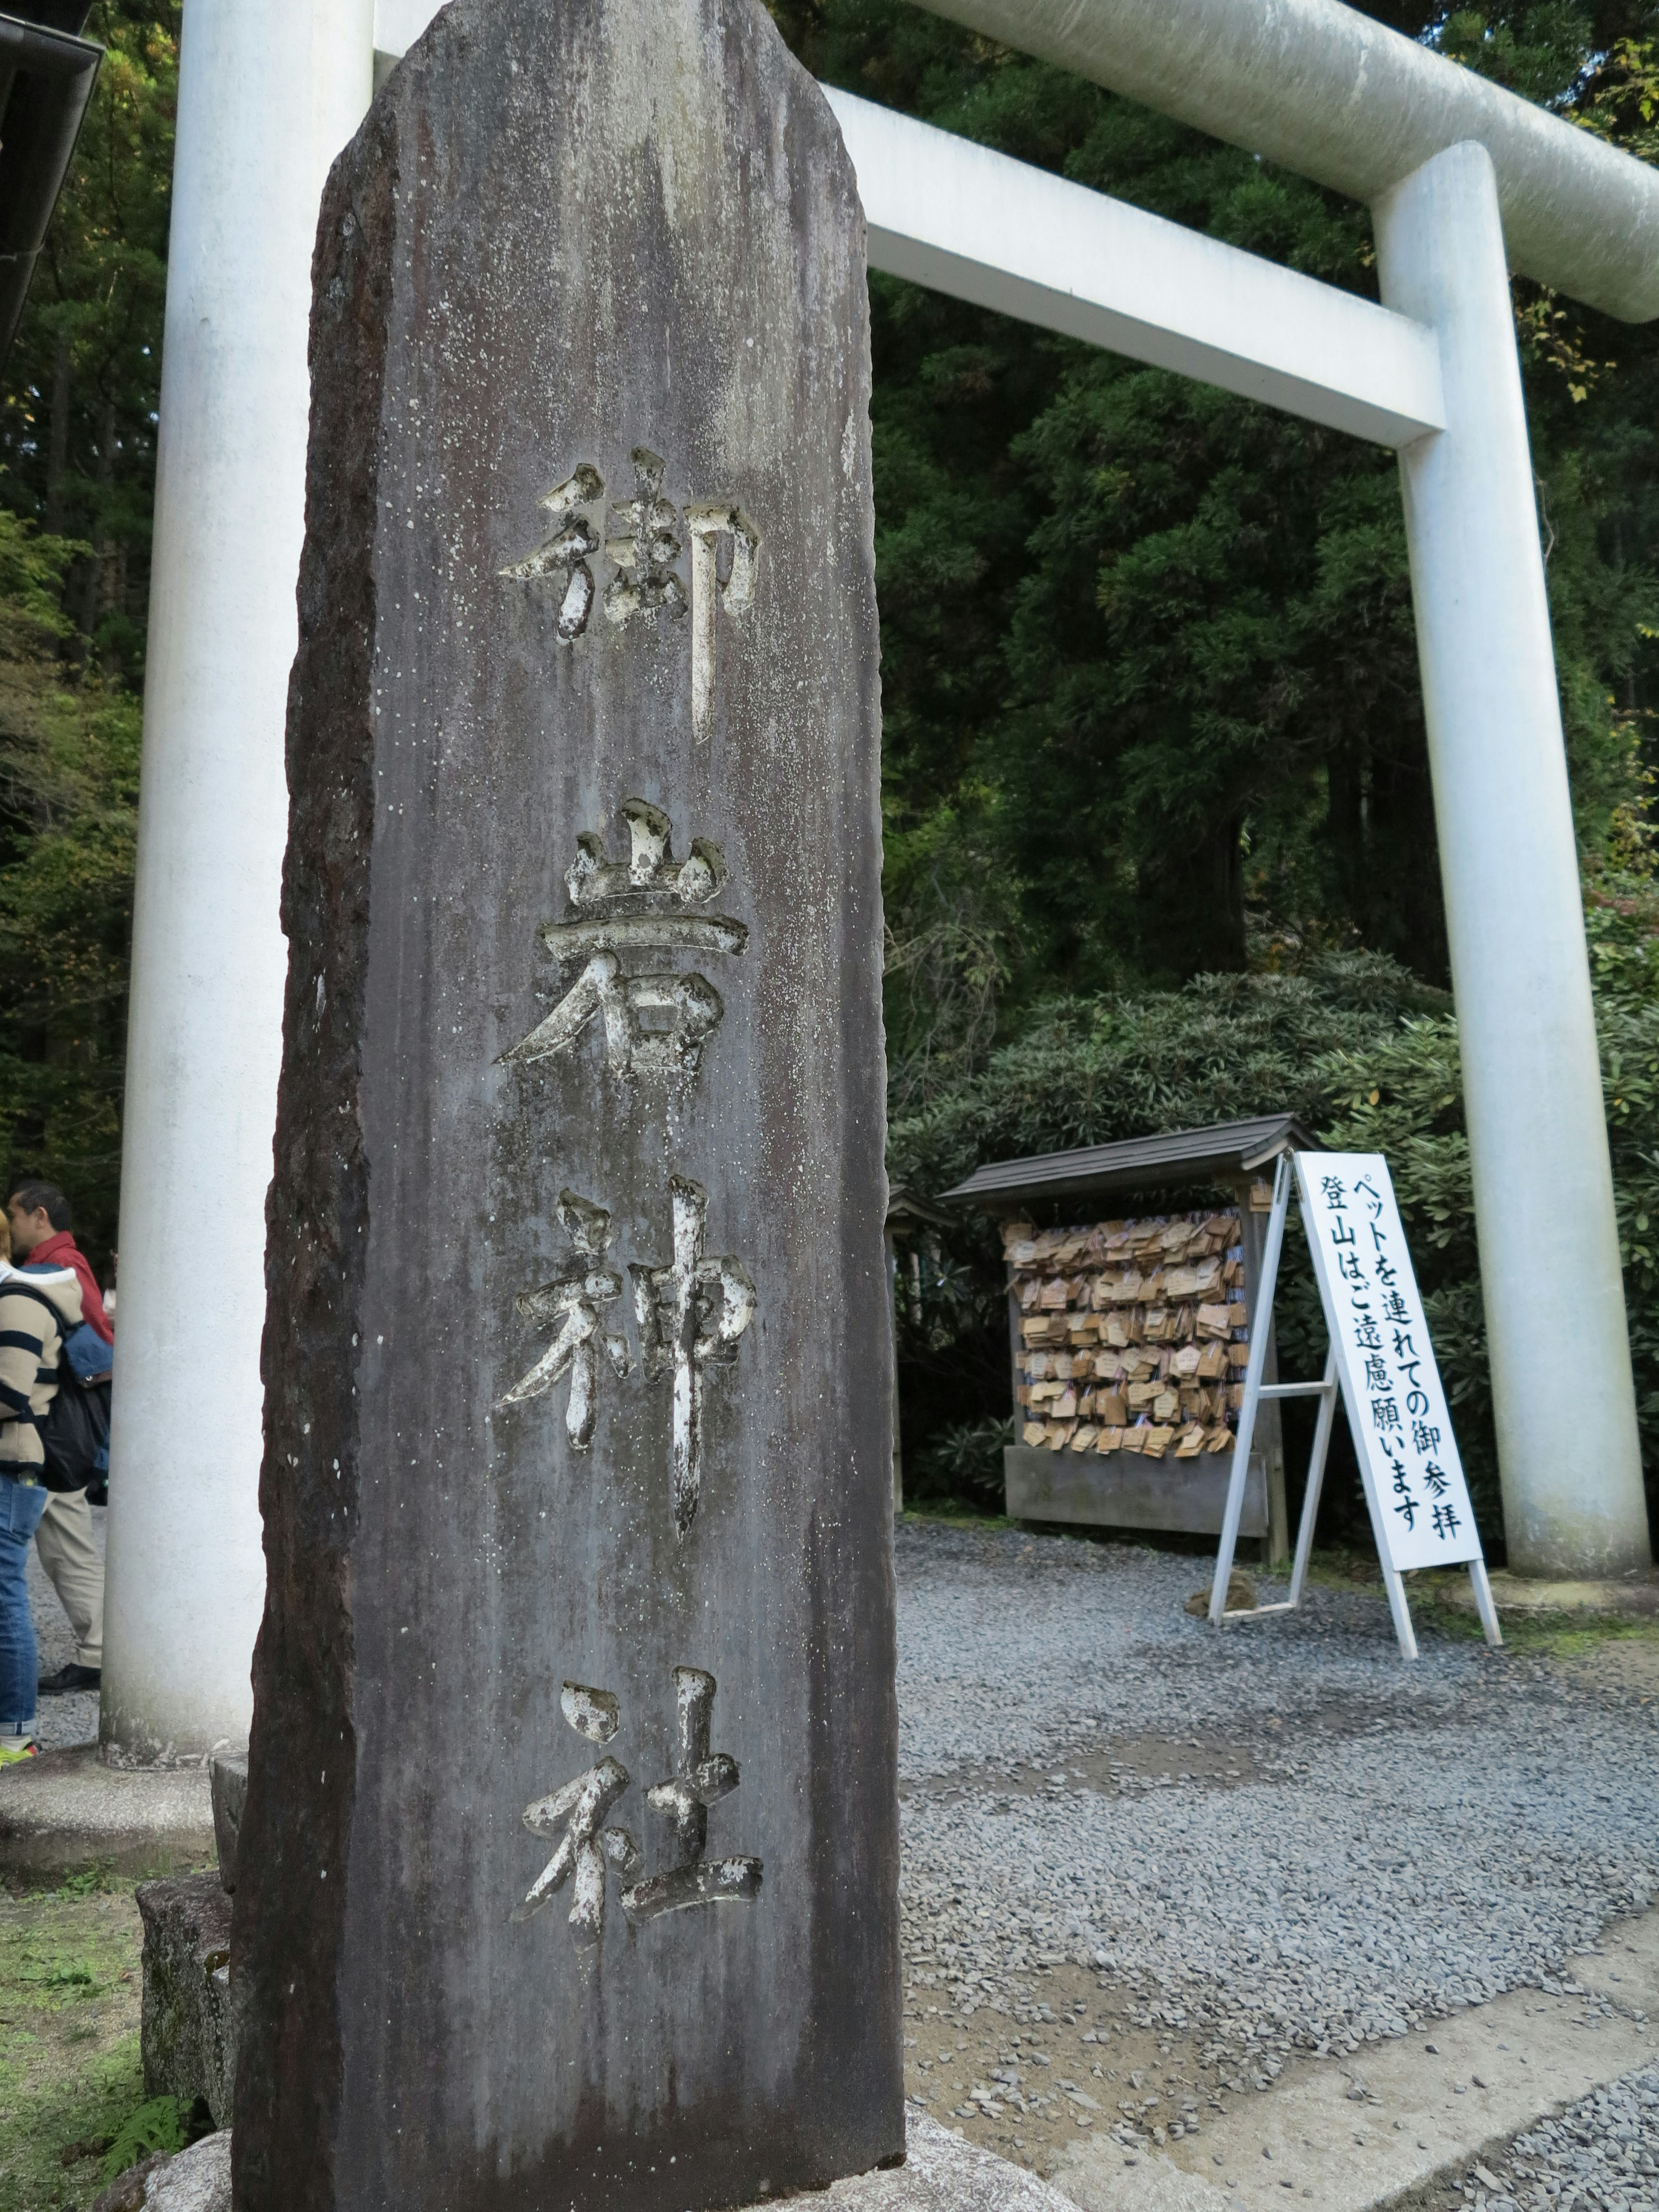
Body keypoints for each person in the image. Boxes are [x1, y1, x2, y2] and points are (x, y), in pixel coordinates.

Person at [8, 1182, 108, 1697]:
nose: (12, 1225)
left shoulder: (50, 1272)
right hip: (62, 1427)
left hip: (48, 1424)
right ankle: (99, 1650)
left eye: (15, 1216)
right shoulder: (70, 1263)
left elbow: (92, 1353)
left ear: (39, 1216)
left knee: (65, 1544)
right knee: (65, 1544)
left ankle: (99, 1652)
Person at [0, 1207, 82, 1761]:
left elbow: (9, 1391)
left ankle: (14, 1734)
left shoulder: (18, 1301)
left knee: (5, 1594)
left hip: (11, 1467)